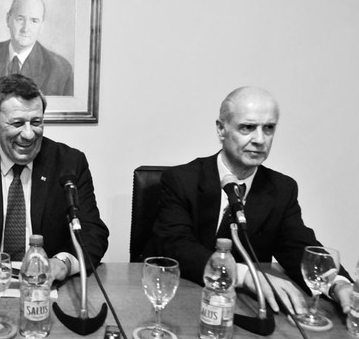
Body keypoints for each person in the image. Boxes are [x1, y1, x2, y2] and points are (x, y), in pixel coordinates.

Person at [149, 86, 352, 315]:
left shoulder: (281, 189)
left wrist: (339, 284)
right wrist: (245, 276)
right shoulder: (181, 179)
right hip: (182, 301)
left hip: (247, 310)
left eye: (268, 129)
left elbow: (299, 247)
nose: (259, 139)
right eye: (247, 127)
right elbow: (176, 247)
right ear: (221, 129)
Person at [0, 74, 108, 283]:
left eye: (36, 122)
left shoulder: (69, 163)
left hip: (49, 290)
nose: (29, 134)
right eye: (17, 123)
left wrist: (61, 265)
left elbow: (92, 234)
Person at [0, 0, 73, 96]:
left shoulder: (61, 70)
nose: (25, 29)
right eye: (20, 19)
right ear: (8, 19)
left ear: (41, 26)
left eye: (34, 21)